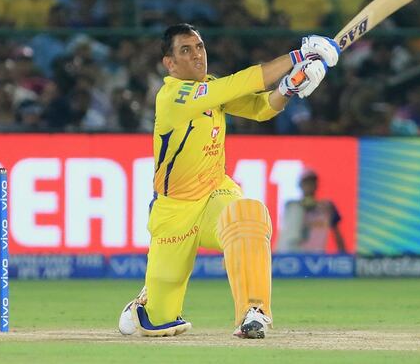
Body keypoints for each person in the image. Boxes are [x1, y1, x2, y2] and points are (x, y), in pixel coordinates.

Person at [117, 23, 339, 339]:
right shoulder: (173, 95)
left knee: (248, 213)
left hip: (215, 192)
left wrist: (290, 87)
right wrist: (298, 55)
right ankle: (147, 303)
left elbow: (262, 108)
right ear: (170, 63)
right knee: (158, 320)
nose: (196, 55)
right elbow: (242, 83)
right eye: (185, 50)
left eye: (199, 47)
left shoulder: (212, 87)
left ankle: (254, 312)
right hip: (174, 211)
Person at [276, 169, 346, 253]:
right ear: (300, 185)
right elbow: (284, 233)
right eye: (306, 183)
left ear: (317, 185)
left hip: (314, 256)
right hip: (291, 254)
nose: (309, 186)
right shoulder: (292, 207)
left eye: (312, 182)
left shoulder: (326, 208)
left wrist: (343, 255)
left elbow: (336, 233)